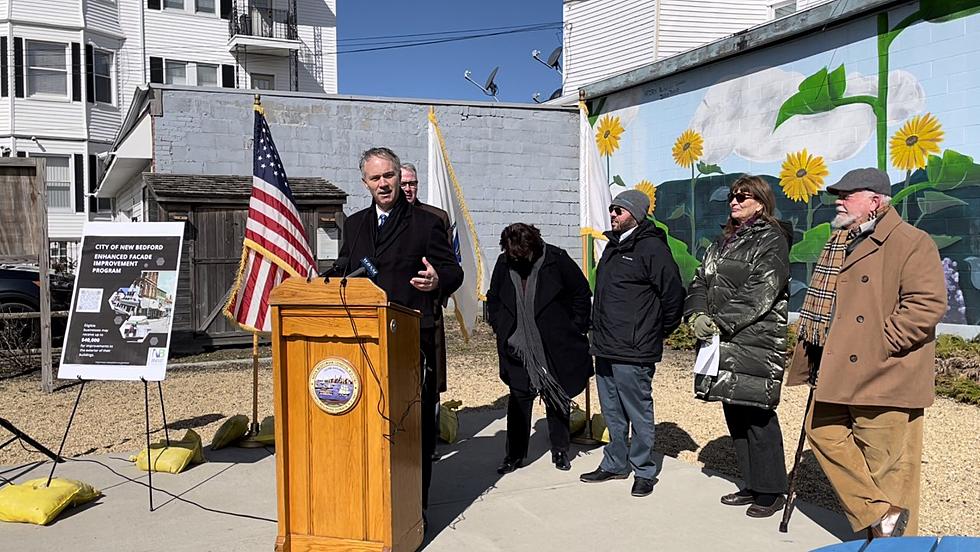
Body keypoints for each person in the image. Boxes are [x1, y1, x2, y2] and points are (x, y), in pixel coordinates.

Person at [786, 167, 946, 538]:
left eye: (847, 194)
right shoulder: (841, 241)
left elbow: (927, 304)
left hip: (886, 372)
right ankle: (878, 513)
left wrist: (882, 344)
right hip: (839, 367)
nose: (838, 201)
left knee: (887, 466)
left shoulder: (911, 241)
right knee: (820, 428)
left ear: (875, 202)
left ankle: (896, 546)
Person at [338, 147, 464, 512]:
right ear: (365, 183)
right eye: (375, 178)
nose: (383, 183)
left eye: (388, 176)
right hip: (363, 341)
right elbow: (346, 266)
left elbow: (453, 271)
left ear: (399, 176)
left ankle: (413, 508)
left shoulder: (426, 223)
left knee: (413, 430)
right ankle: (371, 503)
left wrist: (439, 278)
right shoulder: (355, 224)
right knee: (366, 423)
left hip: (410, 339)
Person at [684, 175, 791, 518]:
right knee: (735, 412)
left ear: (761, 202)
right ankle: (751, 484)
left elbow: (764, 287)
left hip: (754, 340)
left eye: (743, 197)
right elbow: (701, 278)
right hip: (724, 341)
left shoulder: (771, 239)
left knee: (758, 416)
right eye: (732, 197)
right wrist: (697, 313)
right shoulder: (724, 240)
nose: (734, 202)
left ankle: (772, 491)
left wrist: (720, 321)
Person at [580, 189, 685, 497]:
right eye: (612, 209)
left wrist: (657, 331)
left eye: (619, 210)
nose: (613, 214)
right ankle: (614, 463)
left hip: (634, 348)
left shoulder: (652, 248)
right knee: (611, 410)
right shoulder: (613, 247)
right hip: (606, 345)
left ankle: (643, 470)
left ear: (636, 215)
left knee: (637, 410)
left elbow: (673, 295)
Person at [486, 223, 593, 474]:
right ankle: (513, 455)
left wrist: (575, 326)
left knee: (557, 395)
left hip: (555, 342)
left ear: (533, 246)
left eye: (522, 255)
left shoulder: (556, 259)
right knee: (519, 397)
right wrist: (501, 326)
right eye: (513, 255)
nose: (518, 260)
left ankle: (560, 450)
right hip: (517, 344)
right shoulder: (505, 263)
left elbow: (580, 293)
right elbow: (494, 297)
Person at [401, 162, 452, 454]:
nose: (409, 189)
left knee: (429, 378)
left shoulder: (435, 218)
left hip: (426, 309)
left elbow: (448, 266)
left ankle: (428, 440)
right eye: (404, 183)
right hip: (394, 309)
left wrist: (438, 285)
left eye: (413, 184)